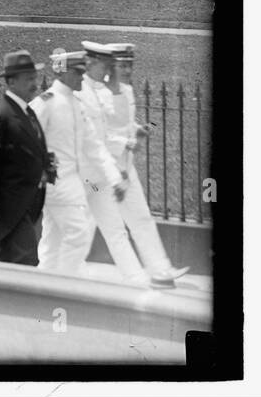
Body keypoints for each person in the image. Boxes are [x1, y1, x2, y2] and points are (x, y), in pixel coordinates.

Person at [30, 49, 124, 276]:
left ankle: (45, 283)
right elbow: (27, 138)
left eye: (83, 72)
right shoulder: (46, 102)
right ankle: (65, 283)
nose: (82, 77)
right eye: (77, 72)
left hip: (72, 182)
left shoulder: (77, 104)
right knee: (78, 233)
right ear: (63, 74)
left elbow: (94, 146)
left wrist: (113, 176)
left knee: (52, 239)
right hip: (56, 182)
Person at [104, 43, 190, 283]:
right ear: (111, 65)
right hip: (102, 171)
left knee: (140, 217)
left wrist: (138, 129)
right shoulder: (99, 94)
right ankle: (57, 274)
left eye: (130, 65)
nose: (129, 70)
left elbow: (124, 124)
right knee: (86, 227)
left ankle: (159, 270)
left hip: (125, 168)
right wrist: (125, 142)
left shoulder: (128, 91)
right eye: (123, 65)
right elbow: (96, 133)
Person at [76, 41, 152, 284]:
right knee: (79, 226)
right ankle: (60, 273)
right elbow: (89, 138)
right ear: (90, 63)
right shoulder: (81, 91)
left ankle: (135, 277)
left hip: (98, 177)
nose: (108, 70)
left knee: (112, 227)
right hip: (82, 176)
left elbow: (102, 133)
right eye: (105, 64)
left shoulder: (96, 90)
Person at [0, 50, 54, 266]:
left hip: (27, 201)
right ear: (11, 82)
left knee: (8, 259)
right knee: (25, 258)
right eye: (29, 79)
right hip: (10, 202)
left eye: (34, 78)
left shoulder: (28, 112)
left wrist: (45, 167)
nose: (34, 84)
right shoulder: (0, 115)